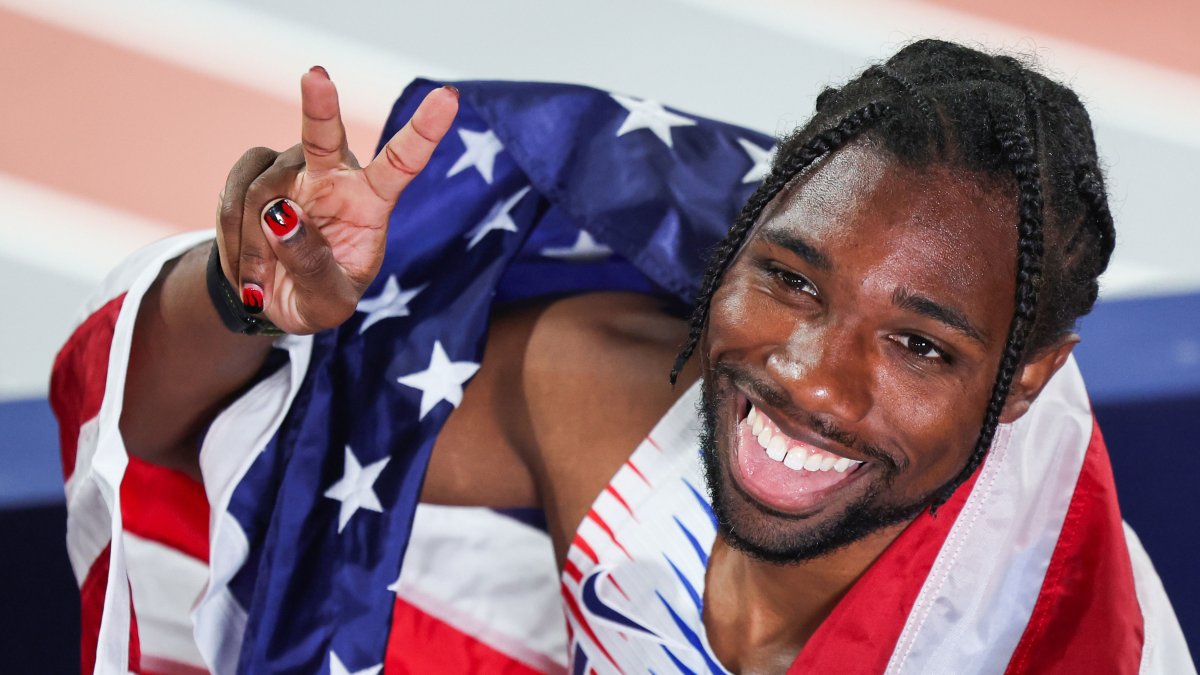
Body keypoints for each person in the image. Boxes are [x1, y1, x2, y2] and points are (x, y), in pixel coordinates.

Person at [52, 41, 1194, 673]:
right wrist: (250, 296)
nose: (811, 379)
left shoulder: (1054, 642)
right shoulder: (600, 405)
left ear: (1028, 377)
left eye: (918, 345)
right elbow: (176, 454)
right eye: (790, 279)